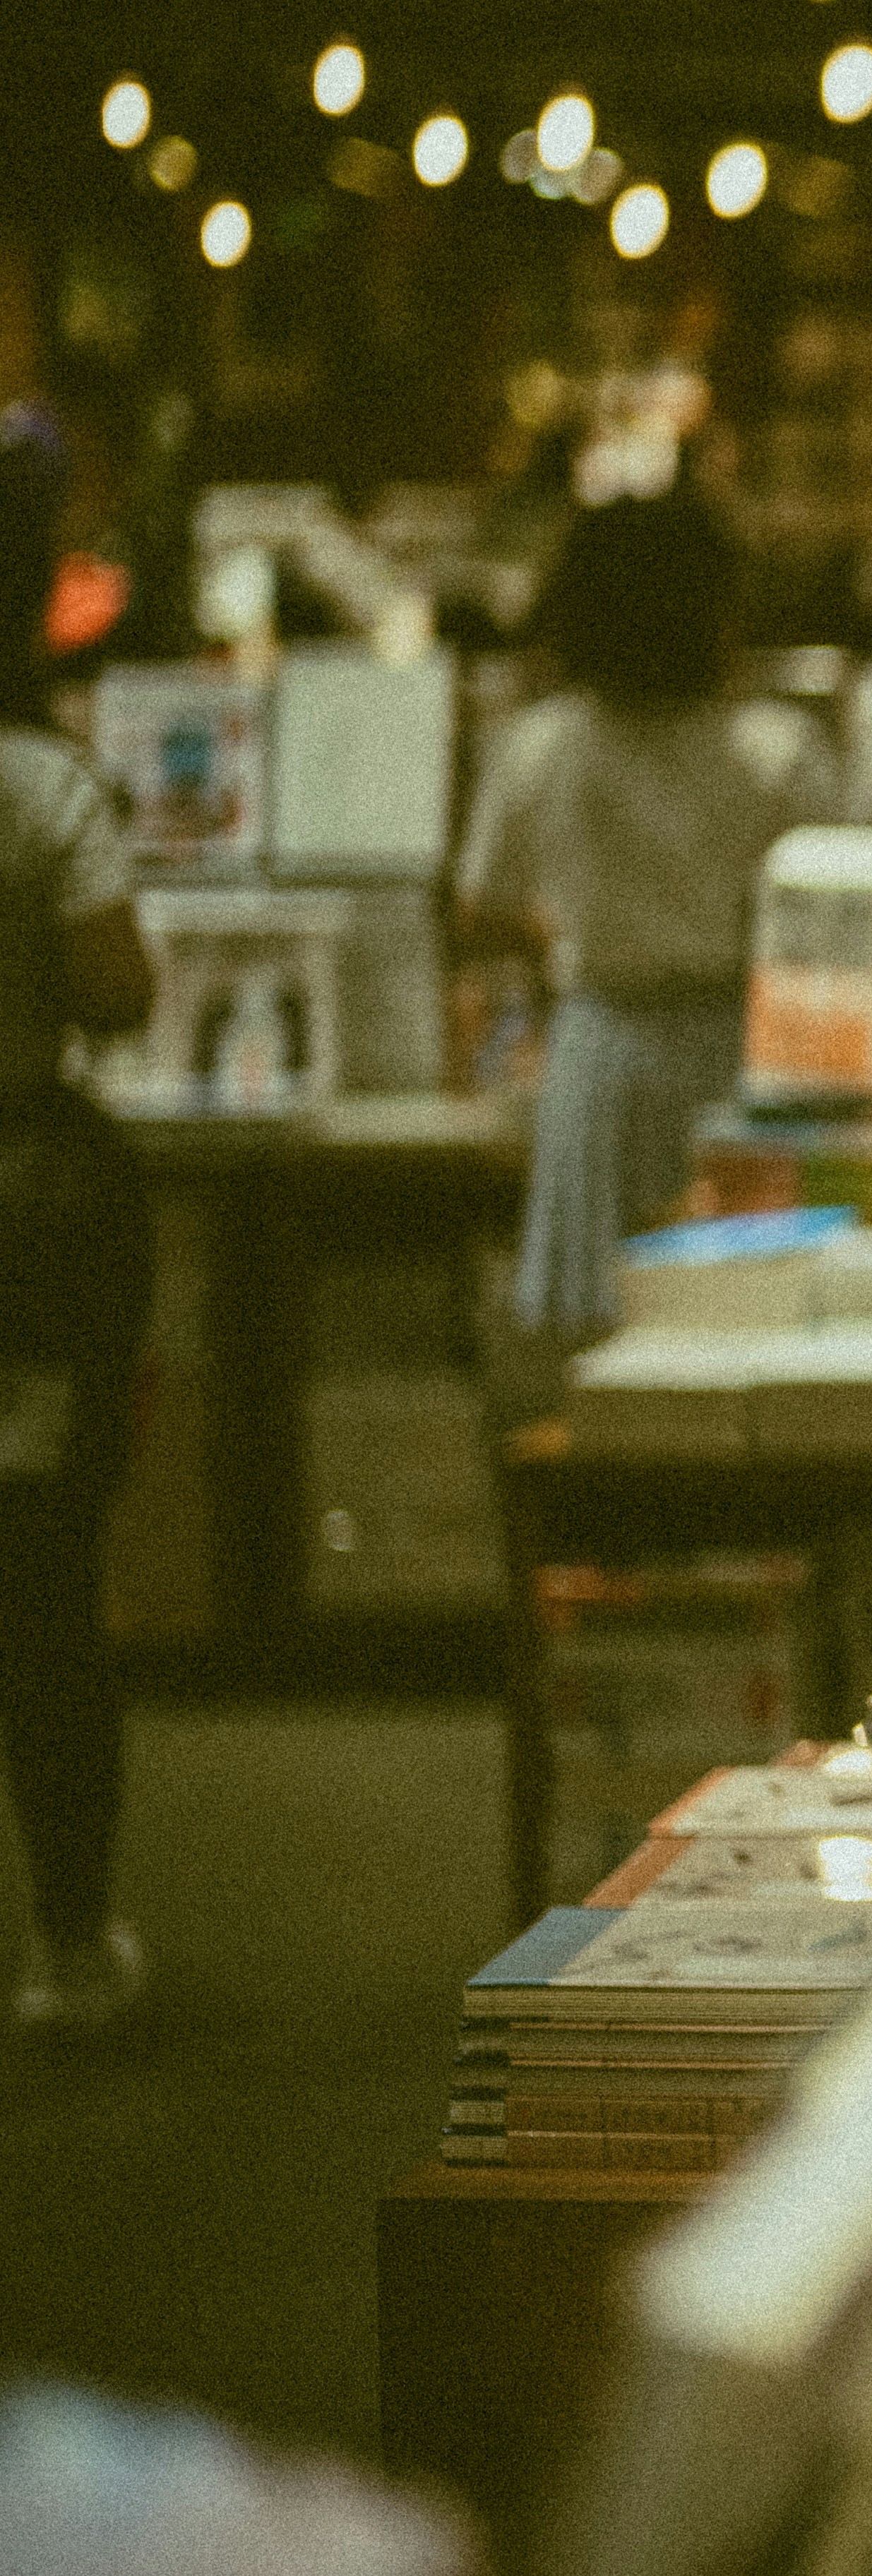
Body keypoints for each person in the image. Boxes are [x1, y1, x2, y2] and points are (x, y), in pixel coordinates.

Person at [460, 492, 838, 1335]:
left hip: (601, 1046)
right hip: (745, 1051)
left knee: (596, 1323)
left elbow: (480, 908)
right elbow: (835, 927)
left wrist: (558, 943)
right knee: (741, 1315)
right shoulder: (778, 750)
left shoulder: (542, 744)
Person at [0, 409, 159, 2034]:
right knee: (43, 1575)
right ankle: (68, 1933)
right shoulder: (43, 787)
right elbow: (117, 987)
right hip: (28, 1217)